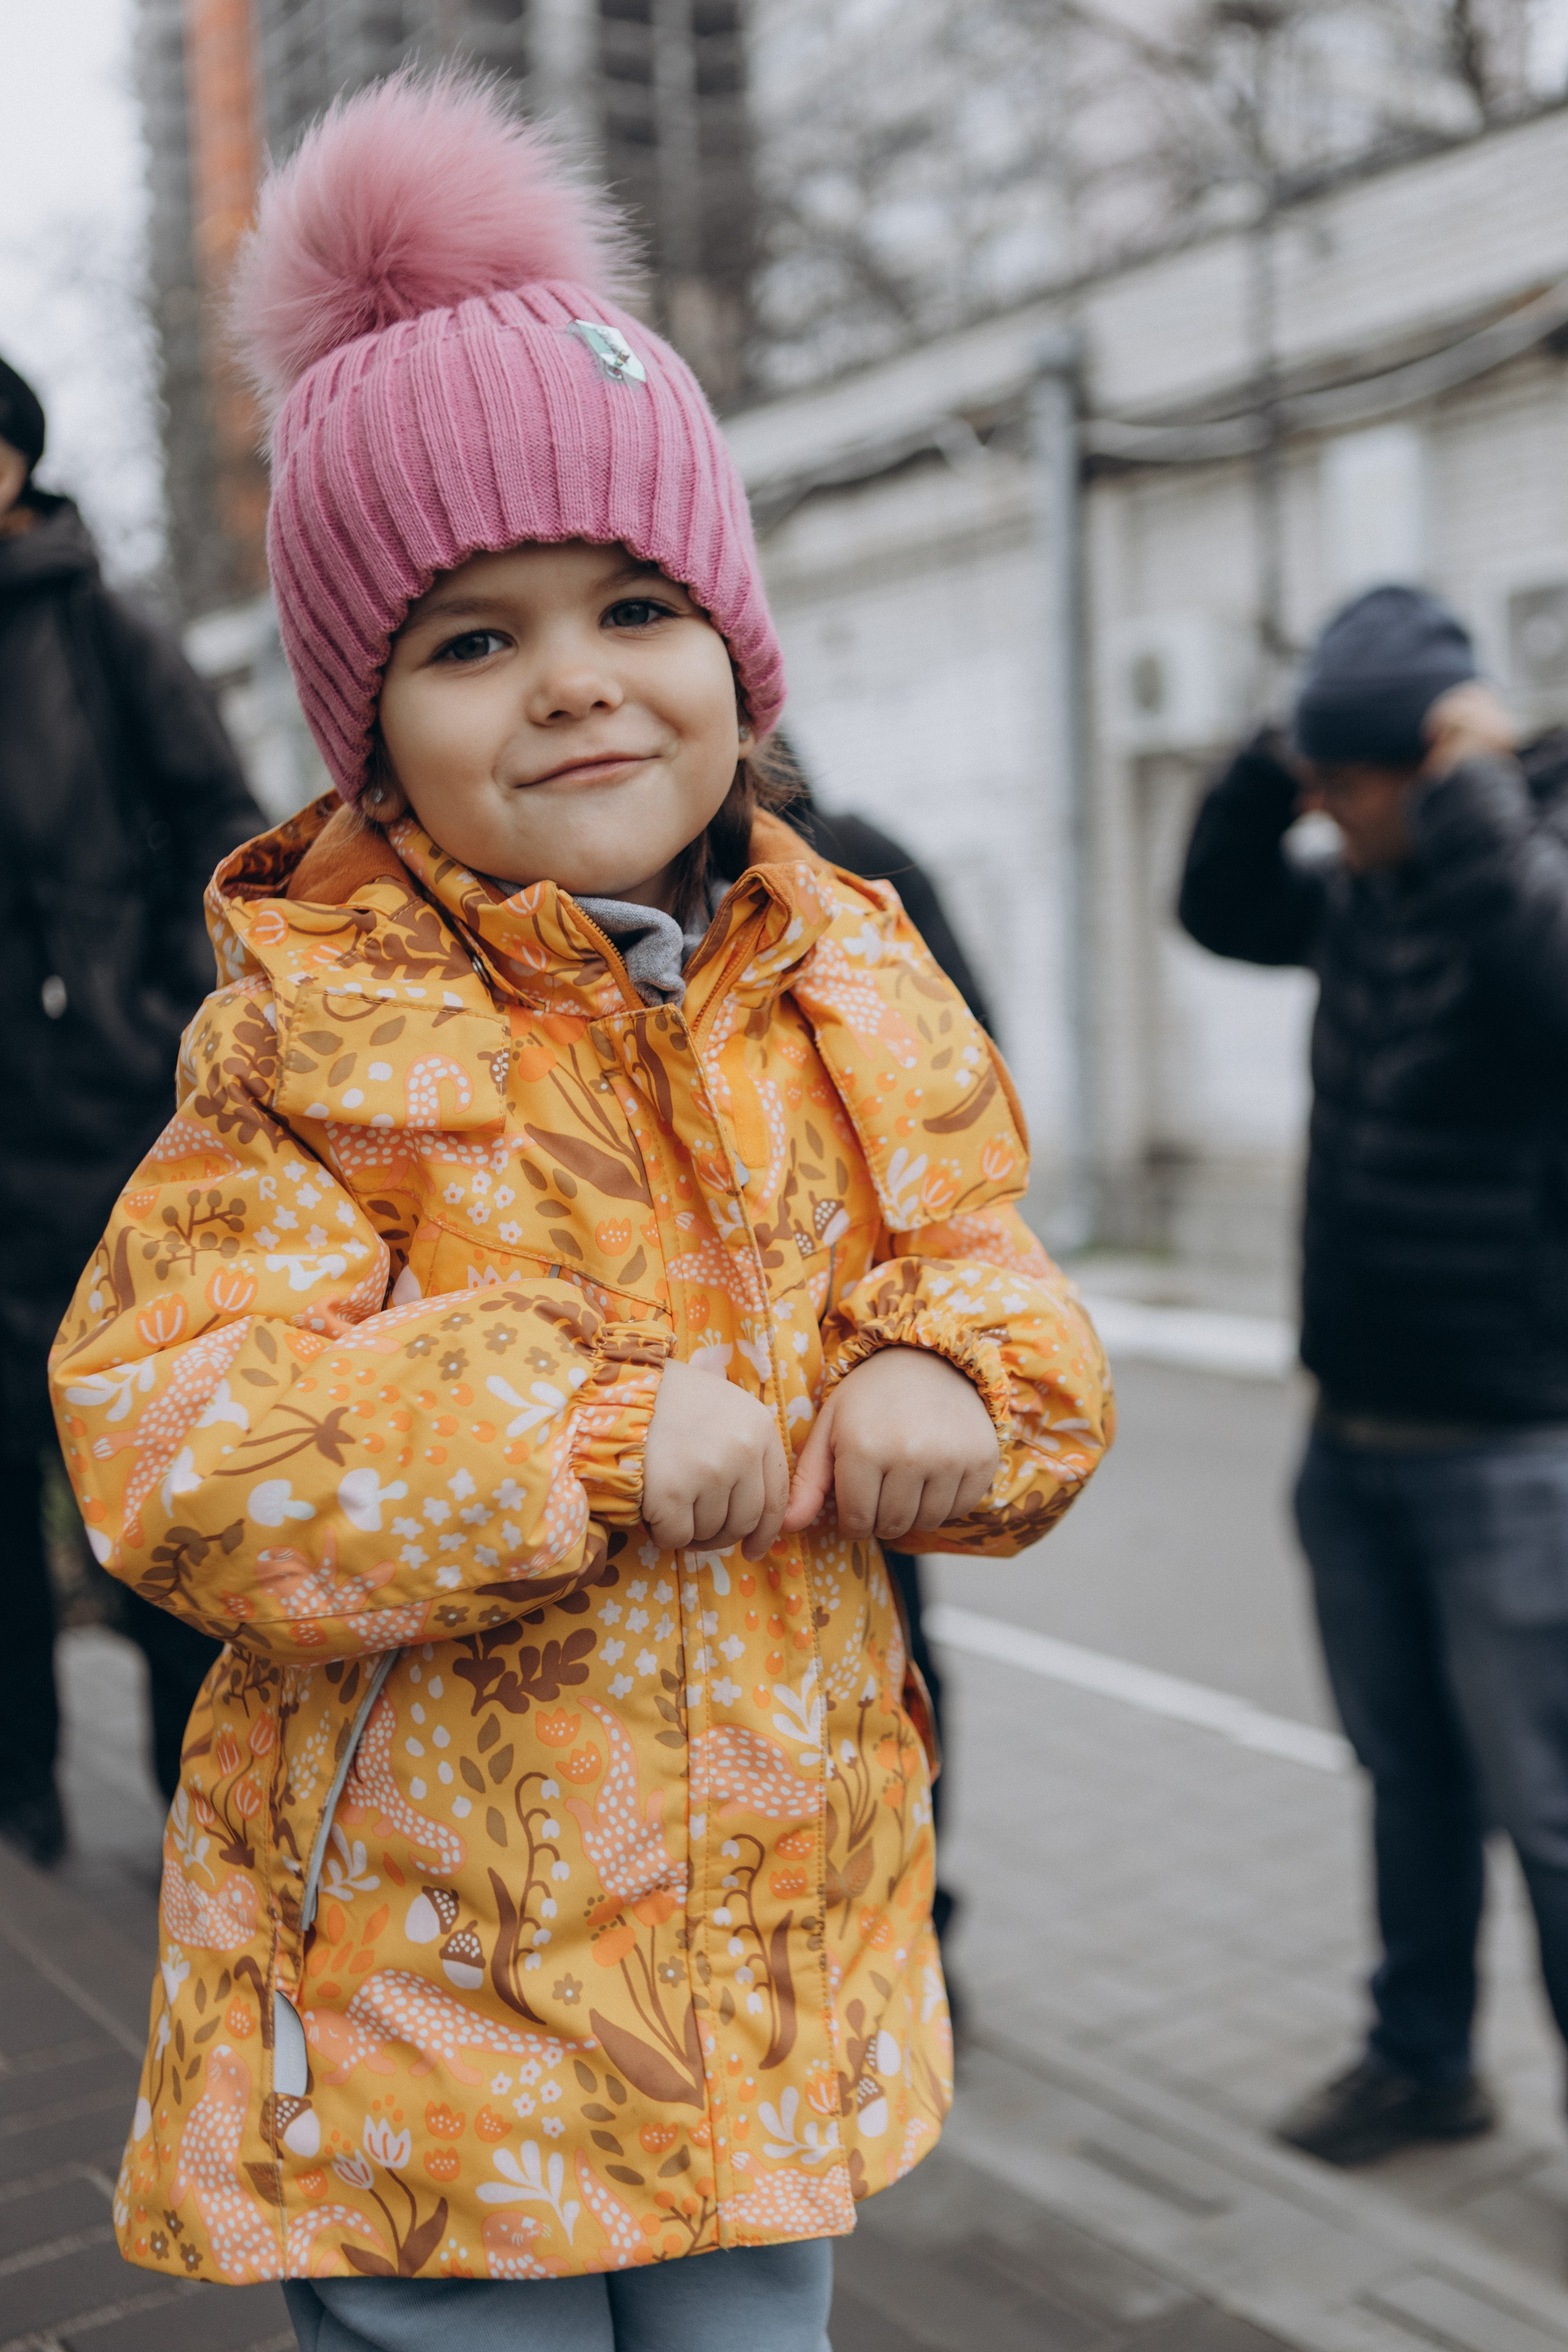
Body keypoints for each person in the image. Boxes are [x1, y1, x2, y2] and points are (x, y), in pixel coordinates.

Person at [50, 75, 1112, 2345]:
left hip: (770, 1982)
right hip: (441, 2023)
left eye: (634, 603)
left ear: (734, 643)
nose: (573, 683)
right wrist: (583, 1439)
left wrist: (956, 1379)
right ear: (369, 726)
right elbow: (178, 1441)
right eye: (471, 640)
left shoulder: (856, 975)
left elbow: (1004, 1294)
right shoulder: (305, 1034)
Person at [1179, 582, 1568, 2166]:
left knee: (1551, 1814)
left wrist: (1471, 776)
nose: (1327, 820)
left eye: (1350, 787)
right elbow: (1216, 906)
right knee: (1405, 1773)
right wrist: (1283, 751)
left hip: (1518, 1449)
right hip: (1358, 1433)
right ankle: (1423, 2064)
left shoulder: (1512, 864)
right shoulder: (1364, 888)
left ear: (1440, 761)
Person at [0, 353, 259, 1864]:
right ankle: (20, 1791)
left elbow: (223, 839)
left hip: (108, 1136)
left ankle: (199, 1808)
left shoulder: (103, 637)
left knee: (156, 1477)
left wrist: (148, 1018)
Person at [793, 789, 995, 2005]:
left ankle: (911, 1923)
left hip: (850, 1420)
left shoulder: (856, 879)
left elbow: (972, 1138)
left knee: (893, 1665)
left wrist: (919, 1336)